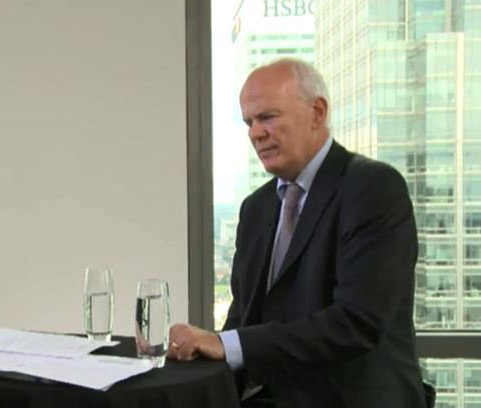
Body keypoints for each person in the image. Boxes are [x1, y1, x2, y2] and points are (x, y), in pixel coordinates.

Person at [167, 58, 426, 407]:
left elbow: (356, 322)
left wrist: (225, 344)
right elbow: (243, 320)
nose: (255, 133)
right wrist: (196, 356)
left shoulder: (374, 188)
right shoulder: (255, 208)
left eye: (268, 117)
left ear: (317, 112)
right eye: (249, 122)